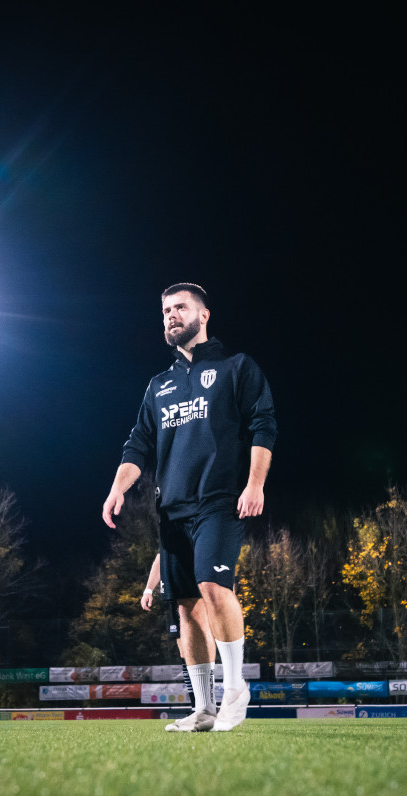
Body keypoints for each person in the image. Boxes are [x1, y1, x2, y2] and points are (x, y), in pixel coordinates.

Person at [103, 282, 277, 733]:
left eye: (180, 307)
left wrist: (255, 484)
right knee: (186, 608)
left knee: (213, 586)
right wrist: (118, 489)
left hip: (219, 502)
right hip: (171, 510)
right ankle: (203, 707)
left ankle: (235, 690)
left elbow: (264, 425)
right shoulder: (158, 386)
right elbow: (137, 445)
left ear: (204, 315)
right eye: (165, 310)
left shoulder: (236, 366)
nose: (171, 316)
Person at [141, 553, 194, 711]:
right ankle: (196, 706)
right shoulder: (169, 541)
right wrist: (148, 590)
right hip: (175, 596)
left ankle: (206, 704)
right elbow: (160, 556)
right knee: (184, 652)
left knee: (200, 649)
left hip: (196, 593)